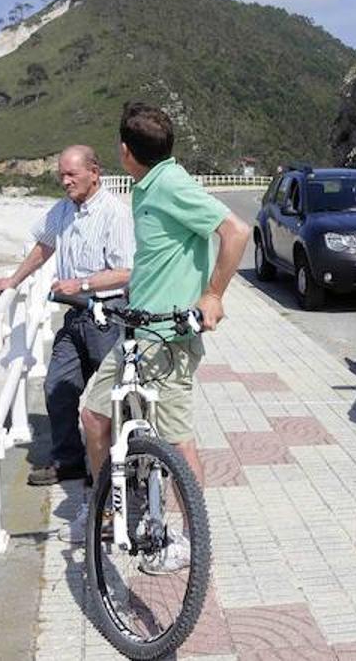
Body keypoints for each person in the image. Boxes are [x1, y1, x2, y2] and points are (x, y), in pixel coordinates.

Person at [78, 103, 250, 565]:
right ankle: (107, 512)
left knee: (176, 443)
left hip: (167, 341)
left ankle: (194, 544)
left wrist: (213, 295)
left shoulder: (171, 184)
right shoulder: (147, 186)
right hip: (136, 331)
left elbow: (236, 232)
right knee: (95, 416)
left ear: (125, 151)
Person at [0, 145, 134, 486]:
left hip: (108, 314)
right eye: (62, 175)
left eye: (72, 174)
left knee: (114, 397)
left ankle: (123, 467)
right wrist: (14, 280)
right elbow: (44, 246)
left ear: (94, 172)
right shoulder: (65, 209)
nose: (65, 181)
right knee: (58, 385)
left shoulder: (115, 213)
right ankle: (69, 460)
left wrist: (81, 283)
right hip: (75, 315)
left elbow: (126, 271)